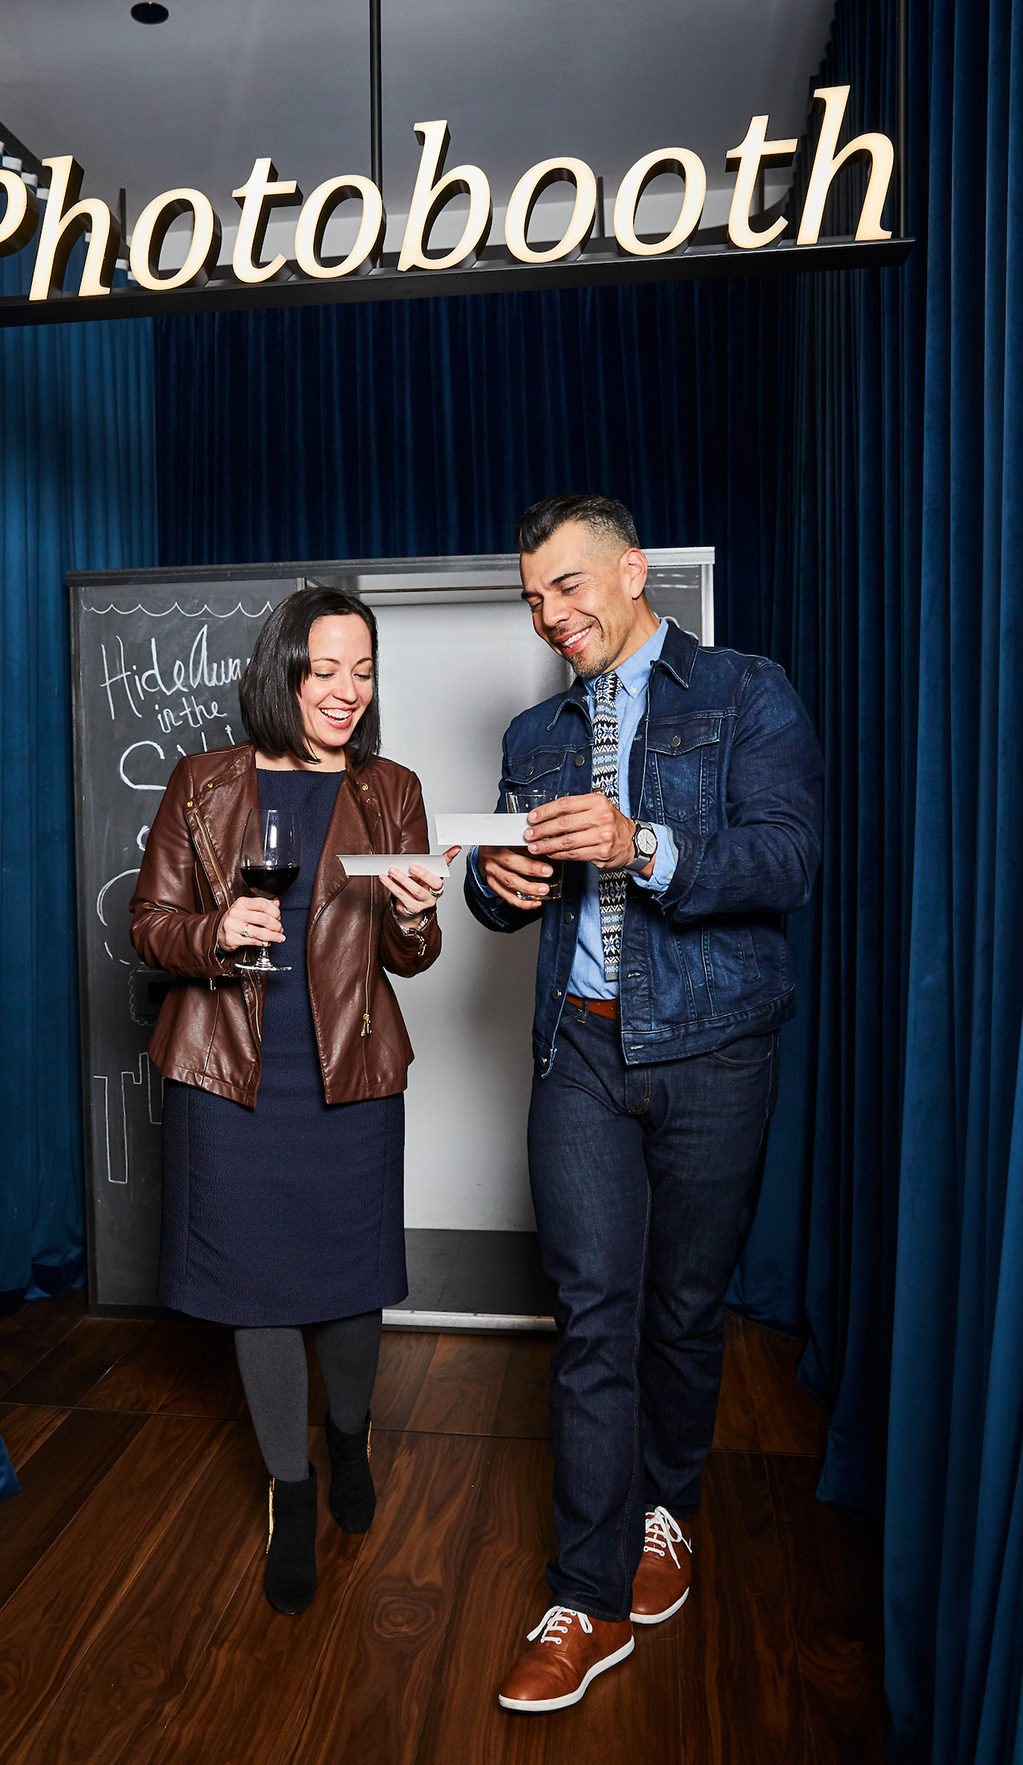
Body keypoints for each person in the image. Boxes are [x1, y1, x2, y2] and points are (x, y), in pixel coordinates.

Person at [465, 493, 824, 1713]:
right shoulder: (531, 732)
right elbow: (498, 894)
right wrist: (497, 885)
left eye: (565, 588)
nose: (548, 617)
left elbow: (787, 858)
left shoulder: (745, 692)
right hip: (578, 1050)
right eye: (531, 600)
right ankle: (585, 1593)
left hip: (715, 1051)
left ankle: (665, 1507)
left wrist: (643, 846)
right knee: (589, 1317)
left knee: (680, 1309)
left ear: (632, 572)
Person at [129, 585, 453, 1617]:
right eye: (326, 669)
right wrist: (214, 932)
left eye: (363, 670)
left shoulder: (391, 789)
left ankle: (350, 1435)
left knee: (351, 1286)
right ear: (282, 673)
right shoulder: (203, 783)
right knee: (255, 1290)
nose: (348, 690)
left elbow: (409, 955)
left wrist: (416, 916)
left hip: (346, 1074)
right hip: (228, 1077)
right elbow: (149, 923)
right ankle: (292, 1486)